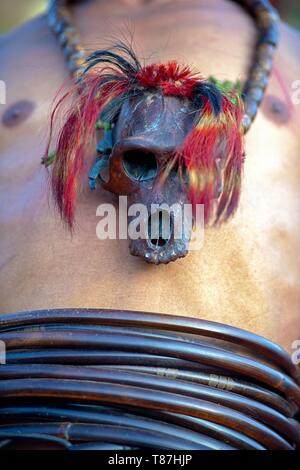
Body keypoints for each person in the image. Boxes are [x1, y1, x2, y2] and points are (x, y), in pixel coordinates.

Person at [0, 0, 299, 353]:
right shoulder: (8, 57)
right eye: (137, 164)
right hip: (29, 393)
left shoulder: (290, 56)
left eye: (189, 167)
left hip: (251, 397)